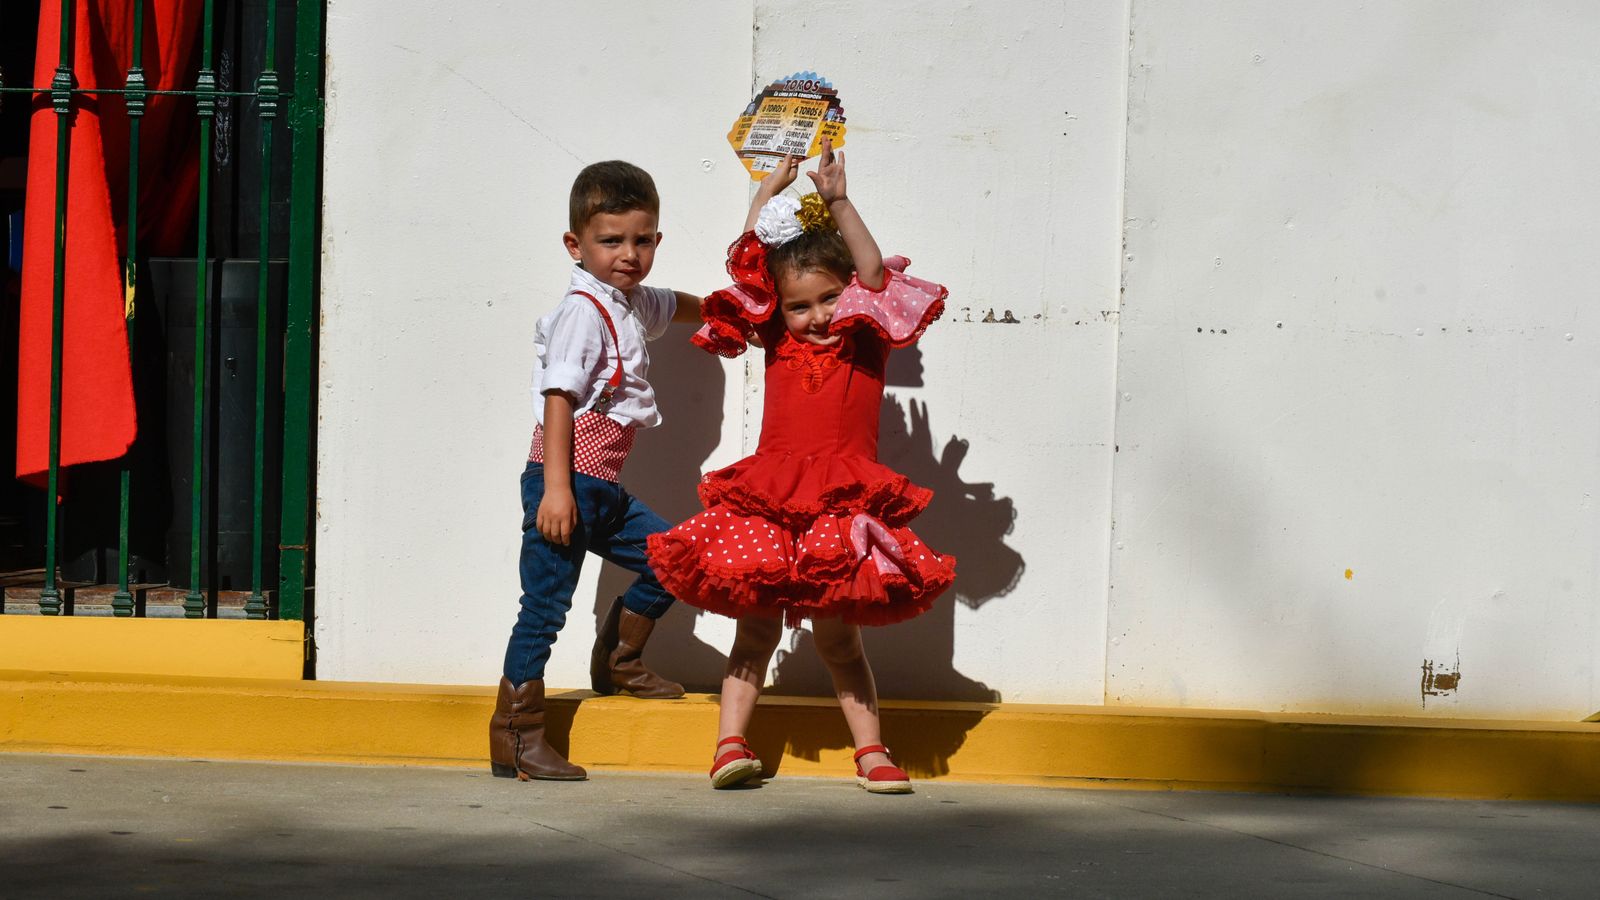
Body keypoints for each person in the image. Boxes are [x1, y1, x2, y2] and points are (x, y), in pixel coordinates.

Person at [648, 142, 956, 794]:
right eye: (799, 305)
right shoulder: (775, 333)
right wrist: (768, 193)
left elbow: (873, 273)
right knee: (755, 632)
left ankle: (871, 752)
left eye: (827, 299)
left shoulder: (864, 330)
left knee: (839, 641)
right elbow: (750, 267)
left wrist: (838, 201)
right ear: (779, 310)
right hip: (771, 499)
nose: (816, 317)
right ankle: (730, 745)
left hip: (840, 509)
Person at [490, 160, 705, 782]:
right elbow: (559, 399)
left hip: (601, 486)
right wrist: (557, 491)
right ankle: (517, 737)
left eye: (643, 240)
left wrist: (737, 310)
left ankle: (619, 661)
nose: (629, 254)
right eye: (611, 241)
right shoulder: (584, 310)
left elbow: (684, 304)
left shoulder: (630, 302)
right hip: (565, 482)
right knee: (545, 607)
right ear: (576, 245)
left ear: (657, 240)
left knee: (674, 555)